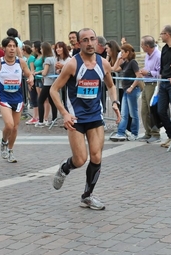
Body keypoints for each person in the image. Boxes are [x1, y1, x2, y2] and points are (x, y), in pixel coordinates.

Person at [50, 28, 121, 210]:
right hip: (76, 118)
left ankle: (87, 196)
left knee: (96, 156)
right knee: (80, 159)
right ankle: (65, 168)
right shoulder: (73, 65)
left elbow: (111, 86)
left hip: (95, 116)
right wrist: (64, 113)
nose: (90, 43)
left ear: (97, 41)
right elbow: (54, 89)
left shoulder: (103, 64)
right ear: (78, 44)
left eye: (92, 39)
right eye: (85, 40)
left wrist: (114, 102)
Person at [0, 37, 34, 163]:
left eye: (14, 46)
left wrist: (30, 79)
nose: (12, 49)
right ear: (4, 48)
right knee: (9, 124)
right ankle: (3, 142)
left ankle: (11, 151)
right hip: (4, 98)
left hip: (18, 98)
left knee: (15, 128)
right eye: (9, 46)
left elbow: (29, 74)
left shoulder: (21, 62)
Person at [110, 43, 142, 141]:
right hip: (126, 90)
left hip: (132, 90)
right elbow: (114, 69)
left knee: (133, 113)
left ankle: (135, 133)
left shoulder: (133, 62)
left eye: (123, 52)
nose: (121, 54)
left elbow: (139, 75)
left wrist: (132, 87)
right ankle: (121, 132)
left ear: (128, 52)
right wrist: (119, 59)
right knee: (124, 113)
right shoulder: (126, 63)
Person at [138, 35, 161, 143]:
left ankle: (155, 133)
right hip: (146, 83)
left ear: (147, 46)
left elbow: (160, 72)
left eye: (142, 44)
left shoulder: (158, 55)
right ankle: (148, 132)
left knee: (152, 109)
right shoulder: (147, 55)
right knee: (144, 110)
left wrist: (149, 73)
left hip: (153, 84)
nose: (141, 47)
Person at [36, 42, 58, 128]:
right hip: (53, 83)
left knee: (40, 101)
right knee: (52, 102)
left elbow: (45, 72)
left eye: (41, 48)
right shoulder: (54, 58)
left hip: (47, 83)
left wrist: (41, 73)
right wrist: (39, 72)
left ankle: (41, 121)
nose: (40, 50)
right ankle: (54, 119)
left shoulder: (47, 59)